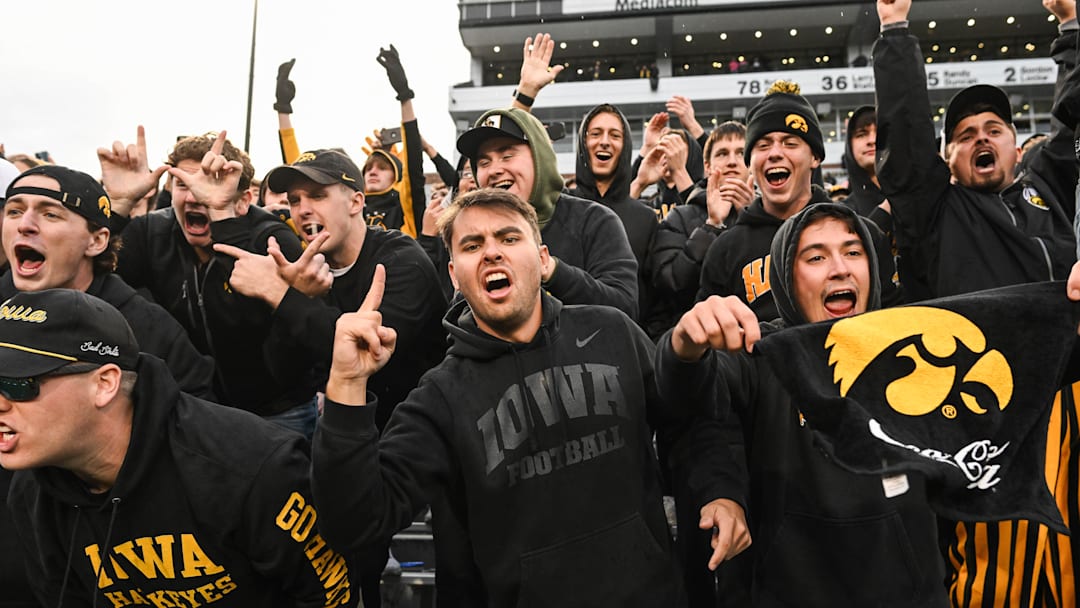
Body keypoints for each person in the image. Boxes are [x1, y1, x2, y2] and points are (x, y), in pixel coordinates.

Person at [312, 188, 712, 606]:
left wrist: (719, 492)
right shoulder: (440, 396)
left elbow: (686, 423)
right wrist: (345, 386)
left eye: (508, 238)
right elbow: (354, 523)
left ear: (542, 260)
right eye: (472, 245)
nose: (491, 253)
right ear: (454, 274)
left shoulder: (613, 331)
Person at [657, 202, 948, 607]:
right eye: (815, 256)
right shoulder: (759, 356)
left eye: (853, 251)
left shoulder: (916, 352)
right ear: (785, 277)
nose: (840, 268)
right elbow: (692, 403)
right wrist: (681, 348)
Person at [1, 289, 352, 605]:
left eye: (17, 384)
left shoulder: (251, 468)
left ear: (105, 384)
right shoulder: (32, 493)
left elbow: (330, 595)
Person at [216, 148, 447, 608]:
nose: (303, 209)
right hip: (343, 437)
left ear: (357, 201)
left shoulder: (400, 261)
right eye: (296, 198)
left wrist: (282, 297)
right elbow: (283, 372)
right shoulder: (306, 271)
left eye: (318, 195)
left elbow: (364, 352)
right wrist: (294, 296)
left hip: (415, 439)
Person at [97, 128, 315, 436]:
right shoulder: (152, 234)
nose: (194, 195)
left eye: (209, 182)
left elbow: (298, 327)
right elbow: (87, 277)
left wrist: (225, 223)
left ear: (244, 200)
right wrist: (118, 207)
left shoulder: (271, 239)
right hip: (192, 408)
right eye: (182, 183)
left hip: (279, 411)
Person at [874, 0, 1078, 301]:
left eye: (994, 130)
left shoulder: (1050, 189)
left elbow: (1071, 120)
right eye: (966, 136)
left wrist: (1071, 22)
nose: (982, 139)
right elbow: (905, 132)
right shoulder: (934, 212)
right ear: (947, 160)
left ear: (1017, 150)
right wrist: (894, 26)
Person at [696, 80, 900, 323]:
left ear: (815, 157)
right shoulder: (725, 249)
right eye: (763, 145)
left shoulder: (862, 234)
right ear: (750, 163)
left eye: (790, 143)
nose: (774, 153)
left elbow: (892, 320)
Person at [456, 107, 639, 319]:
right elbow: (458, 322)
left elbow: (625, 307)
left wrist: (552, 271)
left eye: (507, 155)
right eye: (484, 162)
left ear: (539, 157)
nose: (494, 170)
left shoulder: (594, 220)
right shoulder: (474, 236)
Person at [651, 121, 753, 328]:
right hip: (699, 337)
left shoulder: (774, 214)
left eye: (741, 153)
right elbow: (668, 284)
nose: (732, 162)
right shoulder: (680, 216)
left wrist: (752, 218)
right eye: (722, 153)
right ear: (707, 167)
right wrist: (711, 226)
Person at [569, 103, 660, 334]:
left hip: (626, 345)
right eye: (596, 133)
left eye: (615, 135)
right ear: (582, 144)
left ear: (626, 146)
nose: (605, 142)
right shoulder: (560, 206)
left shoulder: (646, 218)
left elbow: (656, 300)